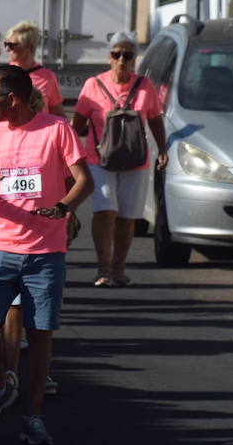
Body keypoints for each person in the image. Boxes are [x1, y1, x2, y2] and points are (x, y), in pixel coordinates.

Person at [0, 65, 92, 445]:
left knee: (39, 335)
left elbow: (84, 180)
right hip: (1, 244)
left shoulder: (55, 129)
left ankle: (33, 417)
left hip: (45, 251)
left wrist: (64, 207)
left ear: (13, 98)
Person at [71, 32, 167, 287]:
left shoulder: (145, 86)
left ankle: (119, 268)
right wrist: (71, 154)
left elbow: (156, 120)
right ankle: (103, 268)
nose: (122, 59)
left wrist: (163, 149)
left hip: (136, 161)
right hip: (98, 159)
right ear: (109, 57)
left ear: (135, 59)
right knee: (104, 211)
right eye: (116, 54)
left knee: (127, 216)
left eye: (128, 55)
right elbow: (77, 123)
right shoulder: (93, 85)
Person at [3, 20, 64, 116]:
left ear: (28, 46)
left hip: (41, 129)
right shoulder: (3, 74)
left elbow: (58, 114)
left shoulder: (47, 77)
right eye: (5, 44)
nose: (7, 49)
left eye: (11, 45)